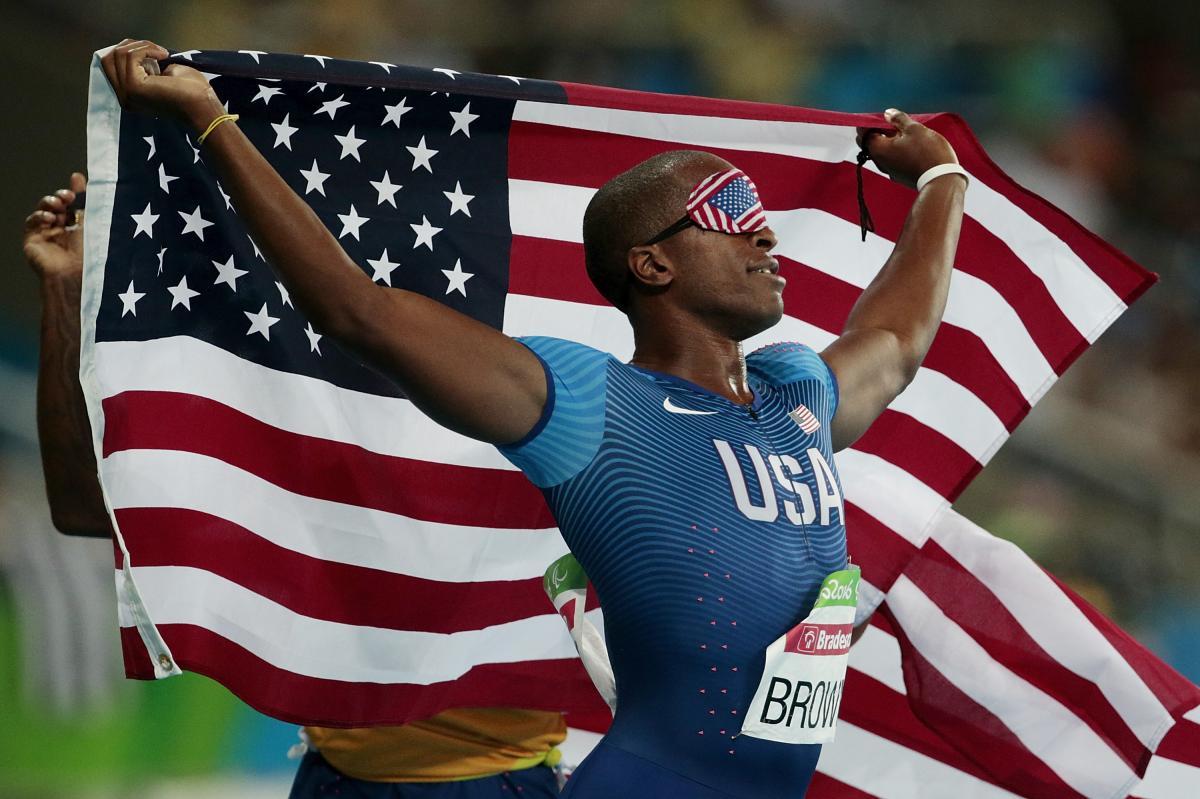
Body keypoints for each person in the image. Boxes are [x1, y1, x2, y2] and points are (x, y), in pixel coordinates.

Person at [99, 39, 966, 798]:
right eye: (733, 216)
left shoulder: (795, 395)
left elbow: (895, 334)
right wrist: (209, 120)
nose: (765, 239)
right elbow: (358, 311)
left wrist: (939, 180)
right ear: (652, 263)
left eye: (765, 222)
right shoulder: (590, 405)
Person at [23, 177, 565, 797]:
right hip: (331, 777)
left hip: (489, 784)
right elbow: (86, 510)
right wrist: (66, 289)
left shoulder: (522, 430)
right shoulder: (305, 444)